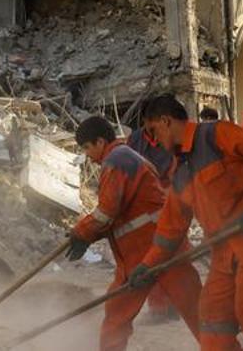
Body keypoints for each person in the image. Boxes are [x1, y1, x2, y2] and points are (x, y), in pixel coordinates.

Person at [135, 95, 243, 351]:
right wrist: (146, 266)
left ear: (166, 121)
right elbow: (169, 232)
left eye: (153, 131)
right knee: (212, 319)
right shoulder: (180, 172)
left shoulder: (217, 134)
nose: (154, 141)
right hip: (224, 254)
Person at [69, 116, 202, 350]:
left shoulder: (116, 161)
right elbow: (117, 214)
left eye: (87, 147)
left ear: (100, 142)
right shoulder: (125, 157)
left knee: (117, 316)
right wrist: (85, 236)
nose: (87, 154)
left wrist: (81, 233)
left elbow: (106, 212)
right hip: (163, 245)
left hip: (144, 250)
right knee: (198, 311)